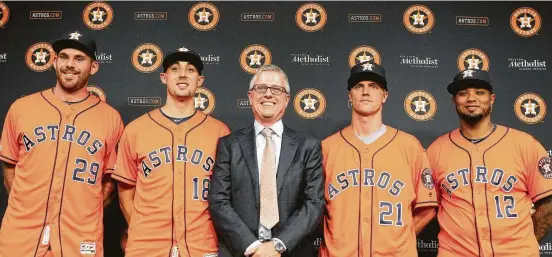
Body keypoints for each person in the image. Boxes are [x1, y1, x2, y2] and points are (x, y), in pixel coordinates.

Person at [0, 30, 123, 257]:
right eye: (64, 57)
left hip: (79, 236)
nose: (70, 64)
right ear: (54, 62)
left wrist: (82, 211)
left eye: (79, 59)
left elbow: (109, 183)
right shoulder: (21, 108)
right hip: (21, 234)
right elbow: (10, 169)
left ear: (93, 67)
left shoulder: (110, 117)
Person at [113, 46, 230, 257]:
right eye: (175, 69)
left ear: (200, 81)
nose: (183, 74)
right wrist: (142, 230)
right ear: (163, 77)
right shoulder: (136, 129)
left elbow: (226, 195)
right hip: (147, 247)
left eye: (191, 69)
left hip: (201, 245)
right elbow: (126, 189)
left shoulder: (219, 131)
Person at [426, 69, 552, 257]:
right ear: (454, 101)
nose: (471, 98)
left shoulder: (525, 144)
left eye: (479, 92)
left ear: (491, 99)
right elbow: (426, 206)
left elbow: (548, 201)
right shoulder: (436, 151)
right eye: (462, 93)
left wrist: (526, 244)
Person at [319, 61, 438, 257]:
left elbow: (427, 208)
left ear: (385, 96)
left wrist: (400, 243)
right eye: (359, 86)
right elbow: (311, 210)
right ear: (350, 95)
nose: (365, 92)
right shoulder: (327, 148)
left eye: (374, 87)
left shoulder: (409, 146)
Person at [208, 64, 324, 257]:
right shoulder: (229, 145)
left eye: (276, 89)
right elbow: (218, 201)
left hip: (291, 251)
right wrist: (253, 247)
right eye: (261, 88)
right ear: (250, 96)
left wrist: (278, 245)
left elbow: (314, 203)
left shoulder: (308, 147)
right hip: (242, 252)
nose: (268, 94)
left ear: (286, 99)